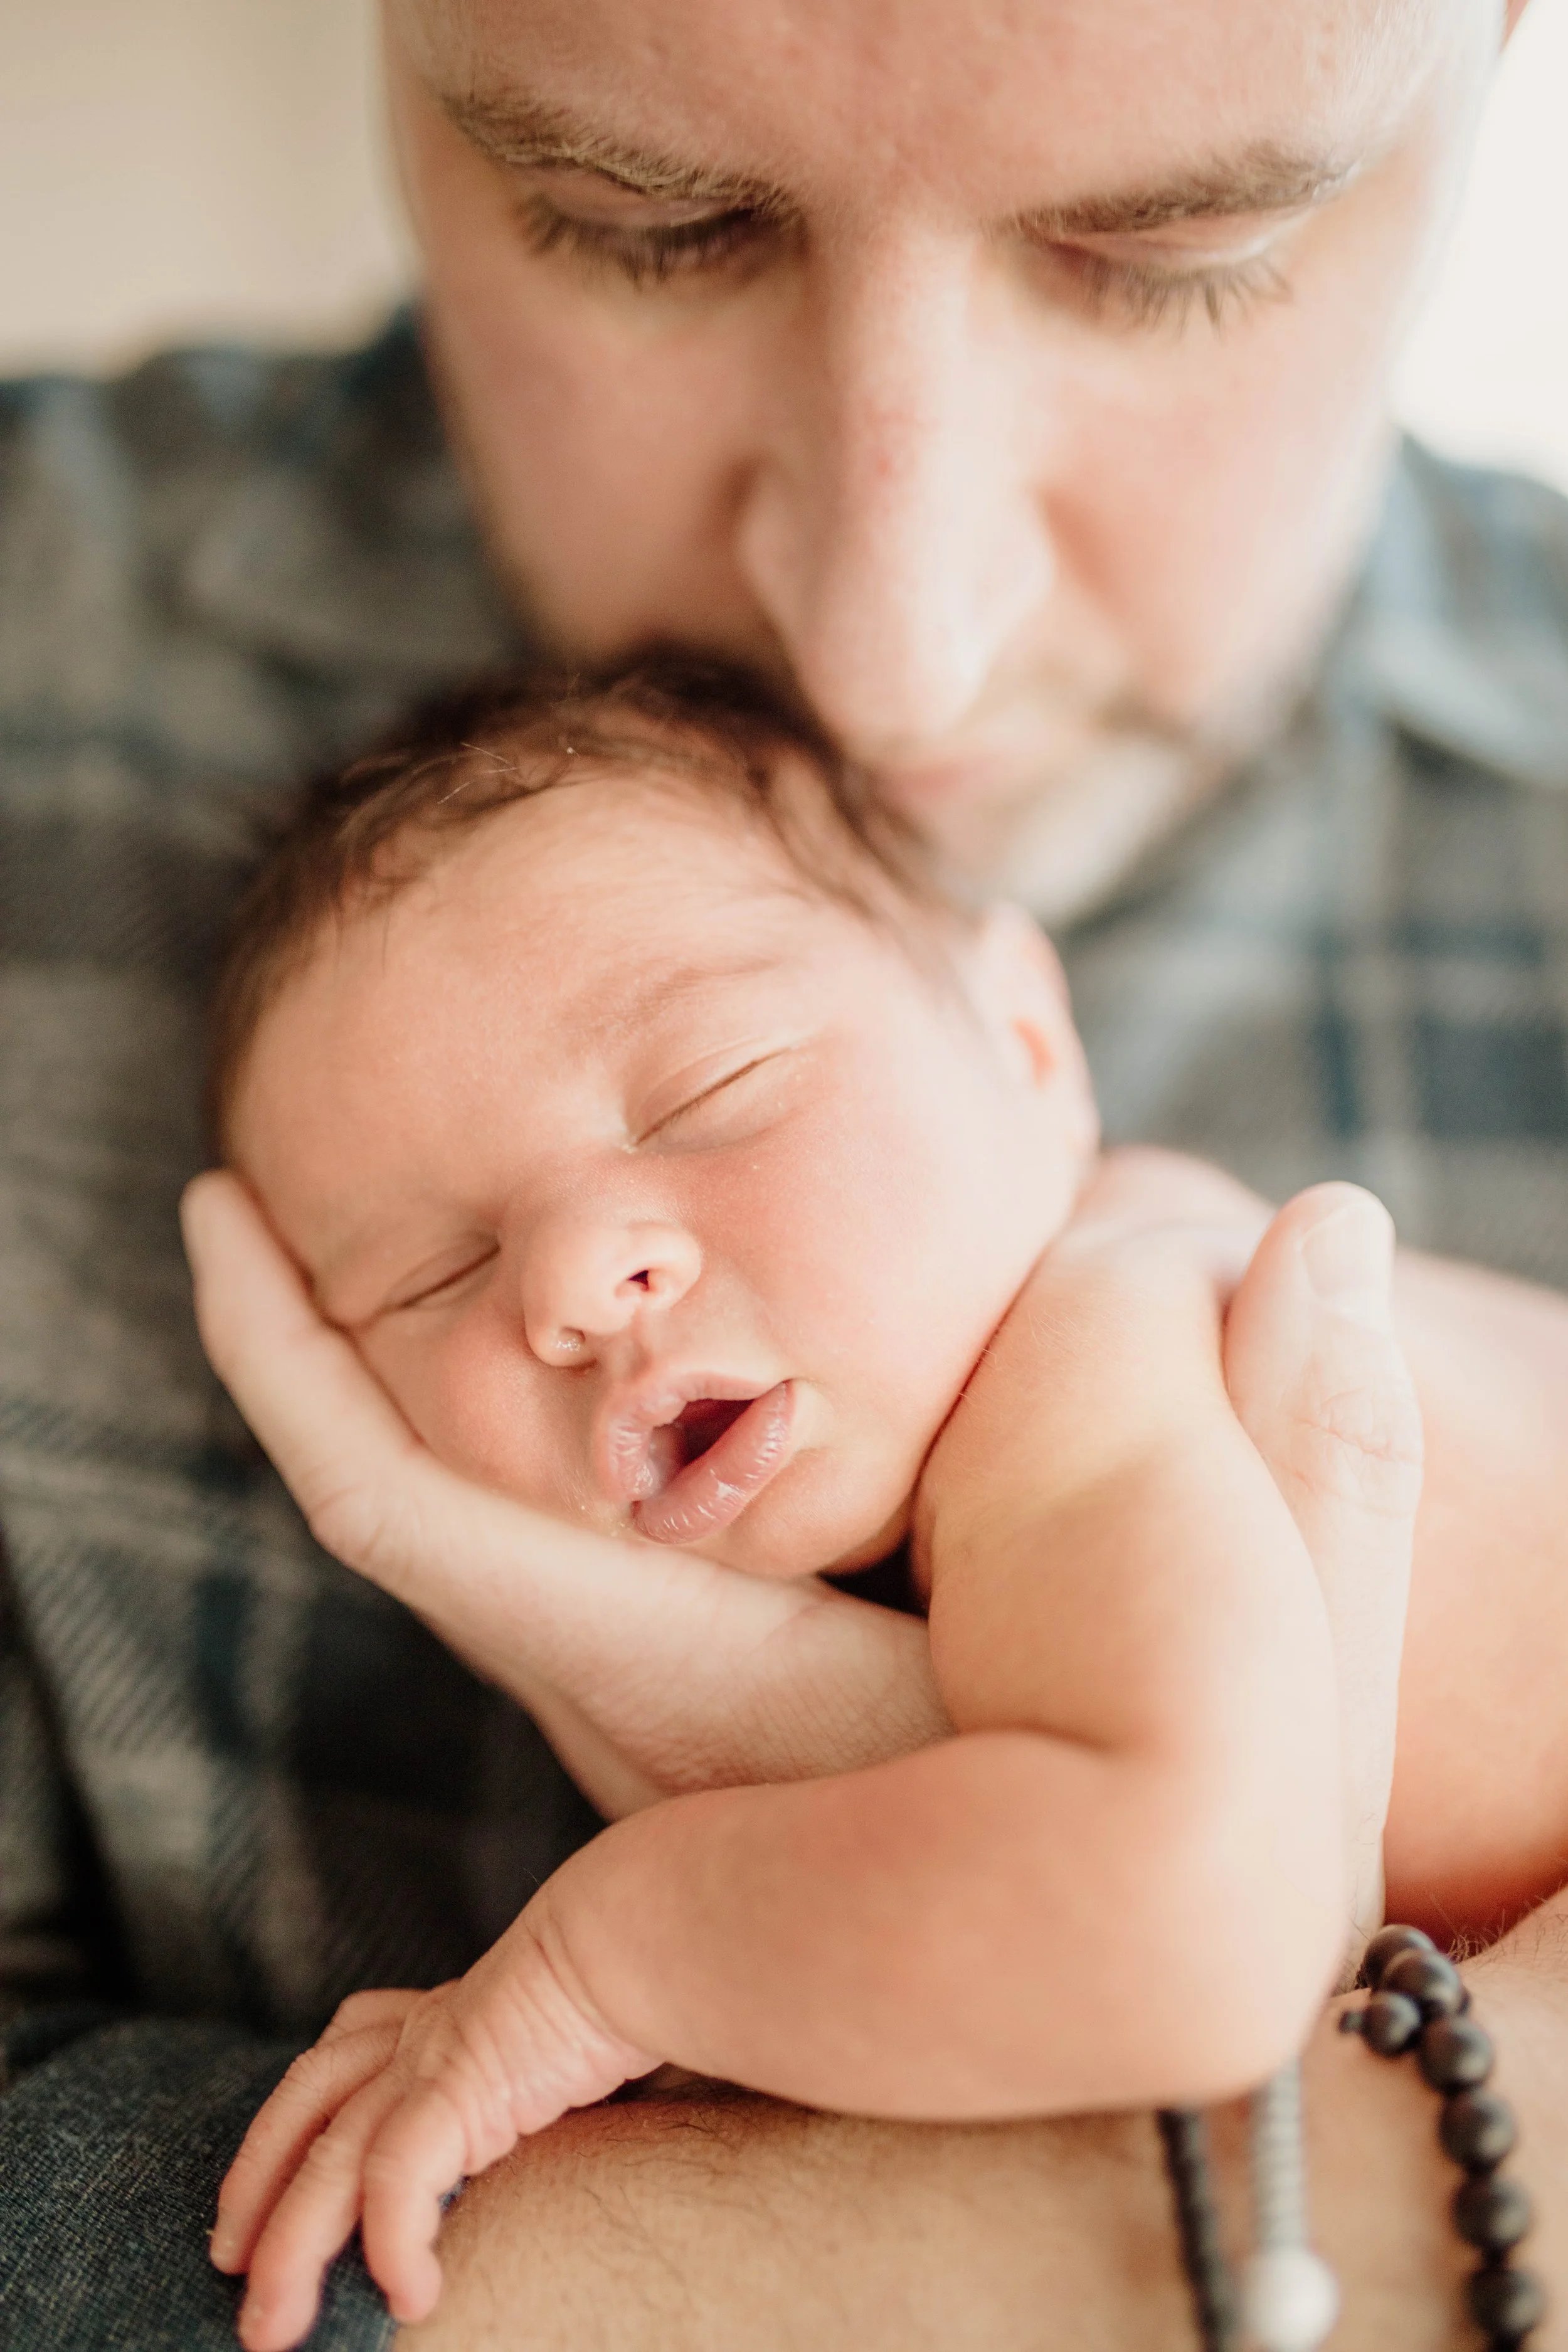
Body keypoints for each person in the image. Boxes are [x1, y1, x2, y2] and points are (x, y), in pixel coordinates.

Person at [4, 0, 1568, 2346]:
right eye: (637, 217)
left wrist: (588, 1973)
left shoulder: (1117, 1329)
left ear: (1028, 1040)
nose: (892, 645)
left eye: (1172, 249)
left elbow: (1180, 1921)